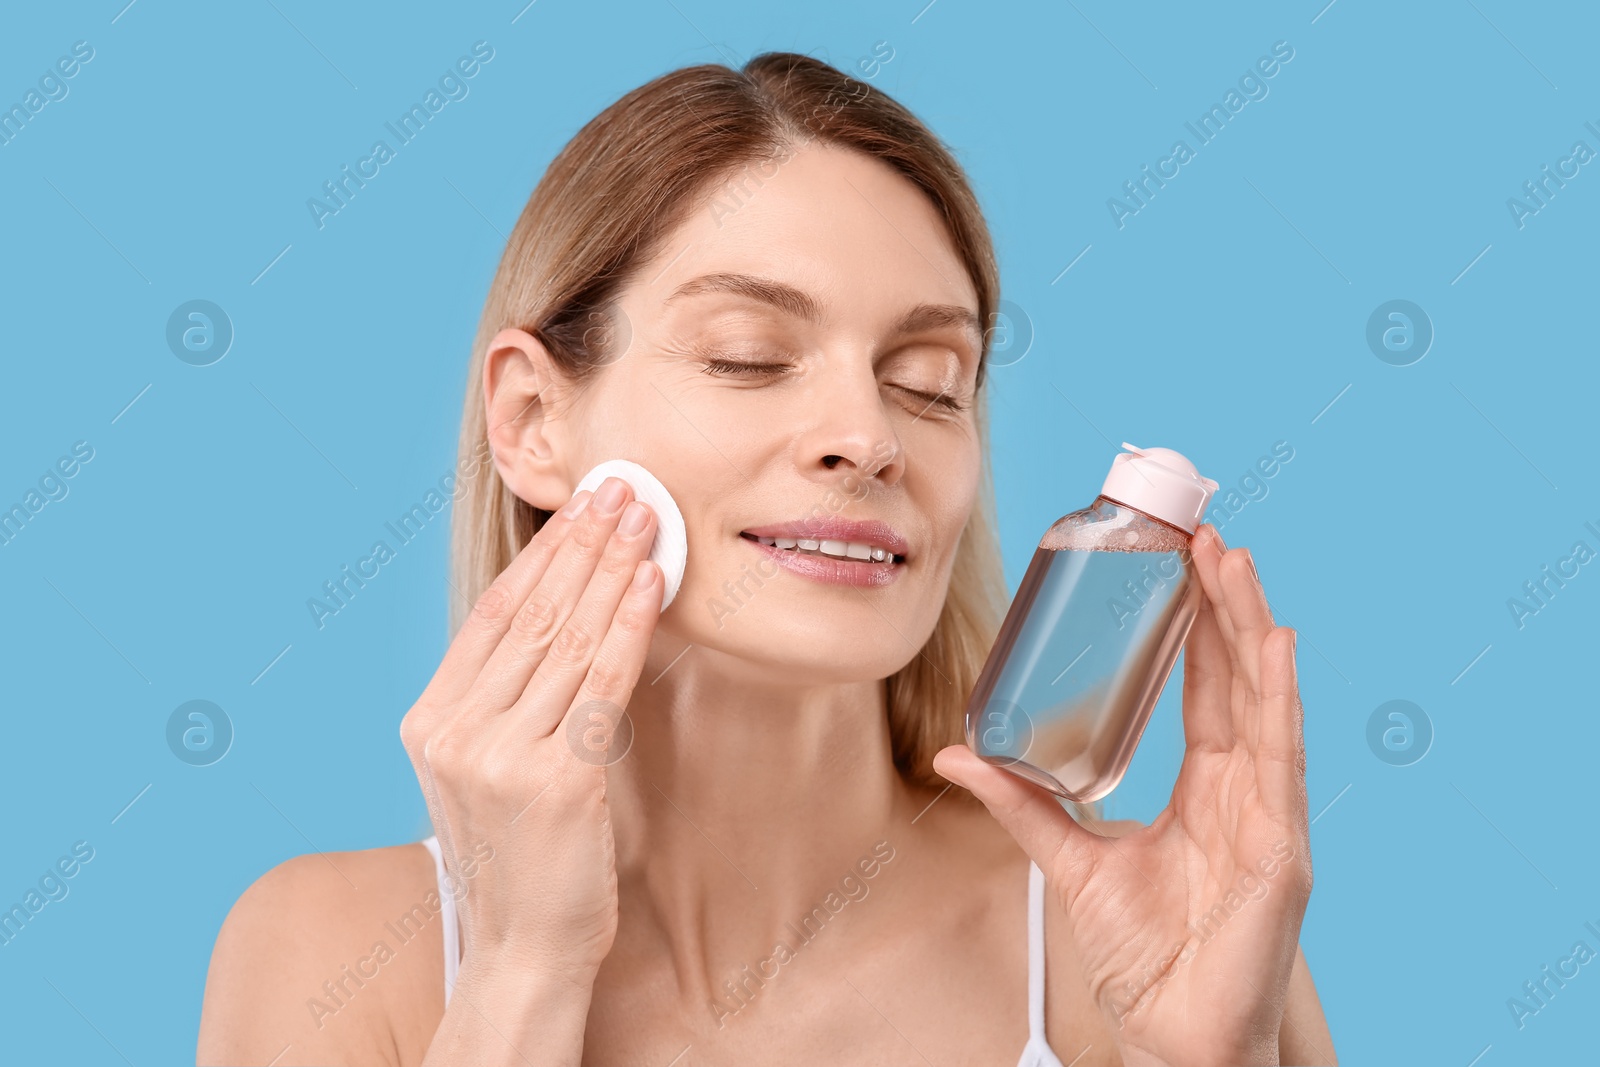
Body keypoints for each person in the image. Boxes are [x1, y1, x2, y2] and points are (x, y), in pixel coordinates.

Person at [198, 51, 1335, 1066]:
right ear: (532, 418)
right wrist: (521, 974)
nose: (871, 435)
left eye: (930, 380)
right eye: (749, 357)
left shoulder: (1135, 940)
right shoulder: (330, 955)